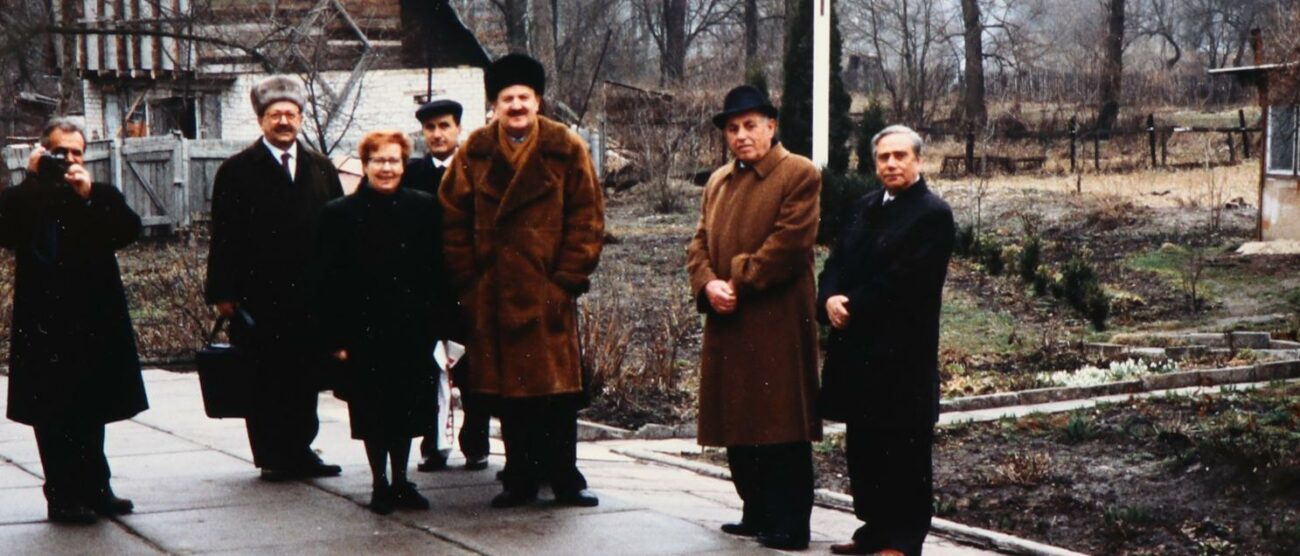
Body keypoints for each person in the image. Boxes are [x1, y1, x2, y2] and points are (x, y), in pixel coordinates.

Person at [439, 53, 605, 509]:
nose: (516, 106)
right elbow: (452, 220)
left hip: (550, 292)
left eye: (524, 98)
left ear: (539, 101)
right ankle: (519, 479)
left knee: (557, 394)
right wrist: (470, 283)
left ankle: (565, 477)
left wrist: (566, 280)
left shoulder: (566, 148)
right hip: (493, 295)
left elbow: (587, 218)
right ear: (495, 104)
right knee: (510, 394)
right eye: (507, 98)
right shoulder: (474, 151)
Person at [685, 85, 822, 551]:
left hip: (776, 320)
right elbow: (697, 243)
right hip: (727, 318)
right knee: (739, 421)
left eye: (750, 125)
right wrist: (707, 283)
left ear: (771, 125)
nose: (741, 135)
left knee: (781, 422)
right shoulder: (719, 181)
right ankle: (756, 510)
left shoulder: (797, 173)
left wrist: (735, 280)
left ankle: (791, 523)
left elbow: (788, 246)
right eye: (732, 128)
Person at [0, 118, 147, 524]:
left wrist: (87, 198)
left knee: (92, 408)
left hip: (94, 320)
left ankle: (97, 489)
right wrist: (32, 180)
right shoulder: (27, 197)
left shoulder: (98, 194)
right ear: (42, 151)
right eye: (59, 152)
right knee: (52, 413)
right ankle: (62, 495)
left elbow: (128, 231)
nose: (68, 160)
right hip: (46, 322)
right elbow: (7, 231)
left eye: (76, 153)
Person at [818, 125, 954, 556]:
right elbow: (836, 262)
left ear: (918, 161)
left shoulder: (932, 214)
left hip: (901, 356)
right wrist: (828, 299)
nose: (891, 164)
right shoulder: (863, 207)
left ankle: (904, 538)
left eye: (900, 156)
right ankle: (874, 529)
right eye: (883, 157)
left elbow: (904, 282)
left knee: (905, 449)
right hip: (857, 354)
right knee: (866, 447)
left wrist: (851, 305)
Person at [205, 75, 345, 482]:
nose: (284, 121)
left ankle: (301, 449)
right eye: (275, 115)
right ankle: (272, 454)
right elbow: (224, 234)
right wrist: (223, 292)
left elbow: (338, 226)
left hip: (312, 293)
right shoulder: (236, 171)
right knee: (265, 376)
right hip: (258, 296)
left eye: (291, 113)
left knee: (305, 375)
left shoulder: (321, 167)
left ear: (301, 117)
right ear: (261, 120)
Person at [319, 130, 455, 514]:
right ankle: (380, 483)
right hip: (363, 333)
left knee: (409, 410)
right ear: (365, 166)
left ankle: (401, 481)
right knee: (373, 411)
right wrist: (335, 337)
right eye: (378, 160)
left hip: (412, 331)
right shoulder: (338, 214)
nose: (387, 168)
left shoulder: (424, 208)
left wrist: (442, 327)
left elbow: (438, 272)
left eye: (394, 161)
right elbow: (327, 280)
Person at [403, 99, 491, 474]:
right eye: (430, 128)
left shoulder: (476, 170)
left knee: (473, 369)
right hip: (428, 289)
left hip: (470, 286)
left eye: (444, 126)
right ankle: (433, 444)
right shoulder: (412, 175)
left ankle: (476, 442)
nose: (437, 134)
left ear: (458, 130)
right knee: (430, 369)